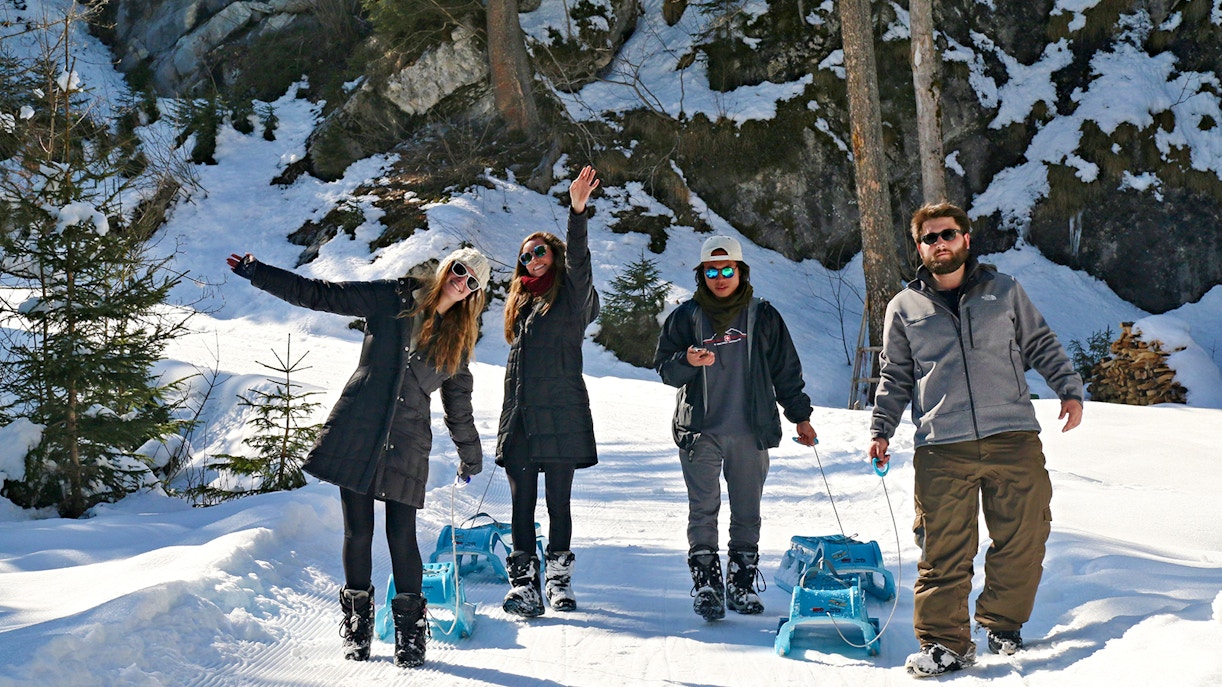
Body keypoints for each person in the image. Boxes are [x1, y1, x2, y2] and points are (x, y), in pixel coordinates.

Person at [226, 247, 489, 668]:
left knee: (402, 534)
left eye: (472, 282)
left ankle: (410, 634)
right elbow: (322, 294)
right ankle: (357, 625)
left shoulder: (456, 341)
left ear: (474, 294)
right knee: (358, 529)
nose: (462, 282)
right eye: (459, 270)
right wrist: (259, 273)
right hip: (361, 425)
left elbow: (459, 407)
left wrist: (470, 455)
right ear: (446, 268)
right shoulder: (393, 297)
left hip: (408, 439)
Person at [867, 202, 1084, 678]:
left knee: (1025, 536)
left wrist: (1068, 389)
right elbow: (895, 374)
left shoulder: (1004, 290)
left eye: (947, 234)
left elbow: (1039, 342)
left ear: (966, 239)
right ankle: (945, 644)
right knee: (942, 549)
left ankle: (1002, 623)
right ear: (919, 248)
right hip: (942, 445)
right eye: (929, 238)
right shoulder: (903, 307)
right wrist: (882, 428)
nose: (939, 243)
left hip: (1013, 436)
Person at [653, 235, 817, 621]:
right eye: (711, 272)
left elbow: (786, 371)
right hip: (700, 431)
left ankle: (741, 586)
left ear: (741, 271)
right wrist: (687, 360)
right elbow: (665, 368)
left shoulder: (764, 316)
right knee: (703, 508)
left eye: (727, 270)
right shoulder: (686, 316)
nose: (720, 278)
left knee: (747, 510)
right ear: (702, 275)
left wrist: (800, 416)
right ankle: (707, 586)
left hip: (750, 431)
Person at [496, 165, 601, 617]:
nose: (532, 259)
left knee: (558, 501)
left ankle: (558, 580)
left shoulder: (571, 297)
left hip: (561, 412)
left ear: (554, 255)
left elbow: (580, 261)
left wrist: (577, 212)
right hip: (521, 417)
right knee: (521, 503)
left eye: (539, 252)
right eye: (525, 256)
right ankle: (524, 585)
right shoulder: (523, 305)